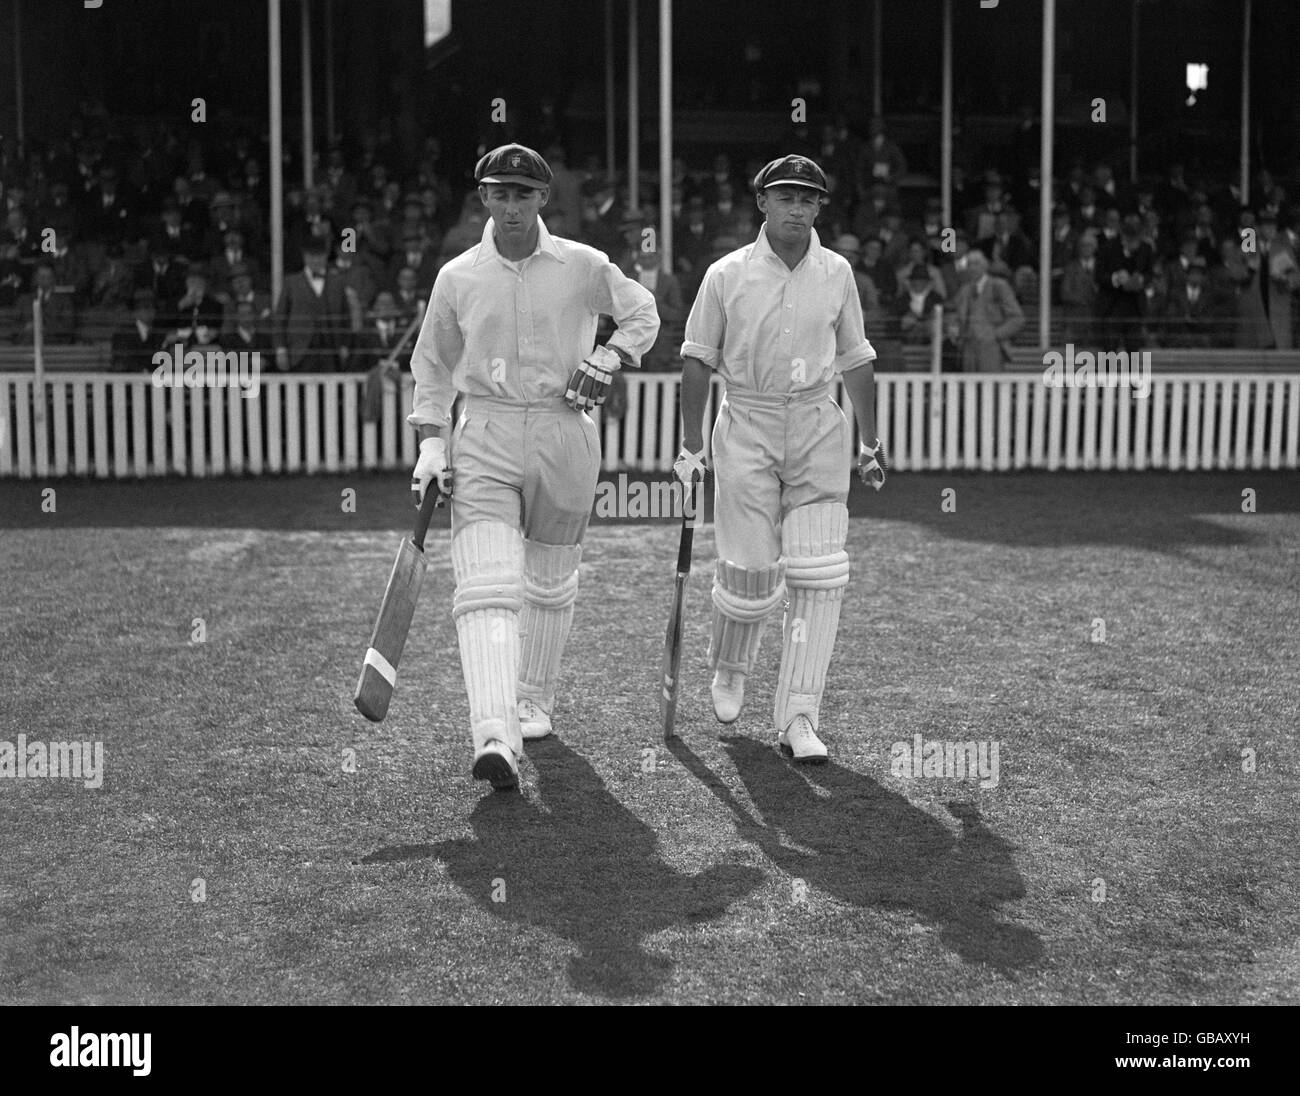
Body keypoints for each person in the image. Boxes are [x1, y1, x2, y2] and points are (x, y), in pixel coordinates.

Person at [407, 143, 659, 791]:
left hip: (563, 429)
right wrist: (432, 443)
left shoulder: (583, 265)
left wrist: (607, 358)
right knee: (486, 586)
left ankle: (532, 703)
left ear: (543, 198)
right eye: (499, 193)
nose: (511, 206)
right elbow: (432, 363)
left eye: (523, 194)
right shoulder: (458, 276)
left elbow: (643, 314)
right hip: (485, 428)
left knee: (549, 585)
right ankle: (493, 731)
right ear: (482, 198)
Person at [675, 154, 885, 766]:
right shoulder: (726, 274)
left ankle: (799, 714)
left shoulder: (838, 271)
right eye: (785, 196)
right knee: (750, 570)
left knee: (819, 576)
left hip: (819, 423)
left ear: (821, 207)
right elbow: (696, 359)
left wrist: (868, 442)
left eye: (809, 199)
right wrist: (691, 448)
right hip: (746, 422)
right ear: (761, 203)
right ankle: (731, 668)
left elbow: (856, 357)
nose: (797, 208)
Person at [273, 239, 349, 372]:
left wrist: (344, 345)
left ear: (325, 257)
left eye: (319, 256)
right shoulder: (291, 283)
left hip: (331, 351)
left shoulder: (337, 283)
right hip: (299, 351)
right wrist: (281, 349)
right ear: (305, 257)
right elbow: (280, 318)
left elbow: (345, 317)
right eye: (311, 256)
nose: (315, 260)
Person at [946, 247, 1024, 371]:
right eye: (970, 264)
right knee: (970, 387)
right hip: (968, 348)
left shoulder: (999, 287)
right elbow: (954, 315)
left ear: (985, 266)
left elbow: (1017, 318)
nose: (973, 268)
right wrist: (953, 327)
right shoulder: (964, 290)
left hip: (992, 348)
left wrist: (995, 335)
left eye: (976, 264)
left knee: (990, 387)